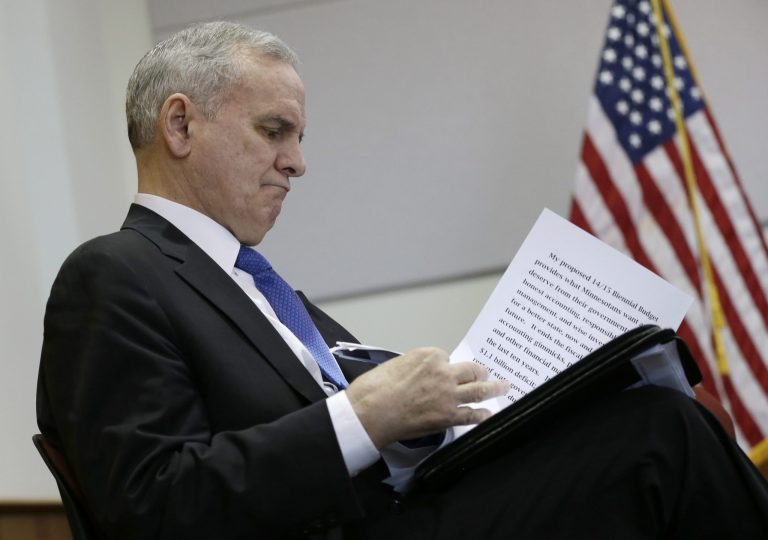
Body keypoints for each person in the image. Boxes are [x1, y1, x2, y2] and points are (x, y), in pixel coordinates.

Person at [37, 21, 768, 540]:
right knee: (658, 436)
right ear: (179, 125)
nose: (298, 162)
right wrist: (364, 417)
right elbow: (150, 508)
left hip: (418, 506)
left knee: (639, 407)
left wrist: (441, 409)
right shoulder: (111, 274)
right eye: (274, 130)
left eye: (300, 138)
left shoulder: (253, 285)